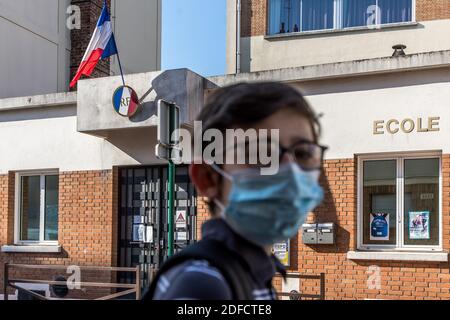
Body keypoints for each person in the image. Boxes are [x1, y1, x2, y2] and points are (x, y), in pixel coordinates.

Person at [147, 82, 326, 300]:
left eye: (304, 154)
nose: (291, 172)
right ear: (208, 178)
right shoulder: (202, 285)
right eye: (262, 154)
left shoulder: (253, 274)